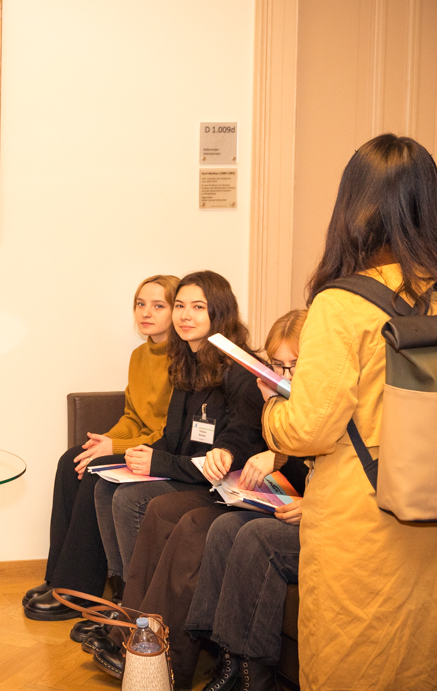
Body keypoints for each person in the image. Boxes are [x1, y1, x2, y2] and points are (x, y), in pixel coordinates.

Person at [260, 134, 437, 691]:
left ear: (353, 207)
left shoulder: (342, 304)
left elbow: (309, 429)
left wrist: (272, 410)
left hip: (362, 519)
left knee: (352, 661)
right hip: (428, 502)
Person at [87, 310, 310, 687]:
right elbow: (240, 434)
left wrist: (279, 457)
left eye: (294, 365)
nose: (284, 375)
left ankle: (171, 661)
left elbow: (314, 461)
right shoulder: (259, 386)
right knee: (155, 508)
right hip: (249, 488)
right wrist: (227, 449)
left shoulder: (293, 393)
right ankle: (132, 635)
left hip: (285, 499)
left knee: (195, 524)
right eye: (277, 365)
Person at [23, 274, 178, 621]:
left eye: (158, 305)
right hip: (136, 444)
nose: (146, 312)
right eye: (140, 304)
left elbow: (167, 432)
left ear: (176, 311)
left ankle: (82, 590)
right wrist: (103, 440)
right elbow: (133, 415)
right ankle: (57, 576)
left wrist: (114, 447)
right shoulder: (139, 355)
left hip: (159, 451)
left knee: (96, 472)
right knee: (71, 460)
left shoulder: (182, 361)